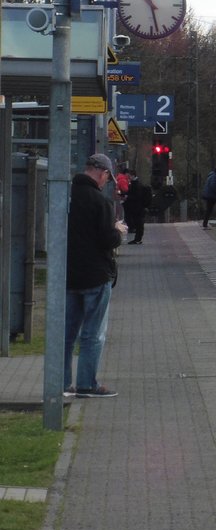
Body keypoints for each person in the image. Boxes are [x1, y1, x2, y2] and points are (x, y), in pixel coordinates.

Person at [65, 153, 125, 398]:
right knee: (92, 334)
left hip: (69, 277)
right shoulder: (99, 202)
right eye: (107, 178)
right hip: (95, 277)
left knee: (67, 335)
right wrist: (118, 231)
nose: (106, 183)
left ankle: (61, 383)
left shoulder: (67, 196)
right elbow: (106, 240)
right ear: (102, 173)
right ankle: (87, 384)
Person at [123, 170, 151, 244]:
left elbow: (137, 196)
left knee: (138, 223)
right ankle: (138, 239)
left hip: (137, 208)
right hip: (138, 207)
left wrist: (127, 197)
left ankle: (138, 239)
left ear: (133, 175)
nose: (128, 178)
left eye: (129, 176)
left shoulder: (136, 185)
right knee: (138, 223)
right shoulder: (136, 184)